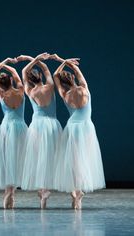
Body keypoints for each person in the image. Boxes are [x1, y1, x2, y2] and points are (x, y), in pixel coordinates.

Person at [53, 60, 105, 209]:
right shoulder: (85, 89)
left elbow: (55, 75)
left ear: (63, 84)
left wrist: (61, 61)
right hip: (86, 127)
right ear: (73, 79)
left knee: (74, 162)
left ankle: (76, 191)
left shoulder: (64, 94)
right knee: (85, 158)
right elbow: (78, 72)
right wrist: (69, 63)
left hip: (73, 128)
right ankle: (78, 193)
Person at [17, 53, 63, 209]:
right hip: (52, 125)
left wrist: (32, 58)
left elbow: (23, 72)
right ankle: (69, 192)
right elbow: (46, 70)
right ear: (40, 78)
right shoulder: (50, 86)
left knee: (38, 157)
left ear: (29, 81)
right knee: (52, 156)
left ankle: (42, 191)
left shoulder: (29, 91)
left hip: (37, 126)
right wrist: (41, 60)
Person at [0, 57, 28, 209]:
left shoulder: (1, 94)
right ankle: (12, 193)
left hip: (7, 128)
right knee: (17, 158)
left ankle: (8, 192)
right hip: (21, 127)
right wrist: (8, 63)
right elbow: (15, 72)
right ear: (10, 80)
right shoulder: (21, 90)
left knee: (8, 159)